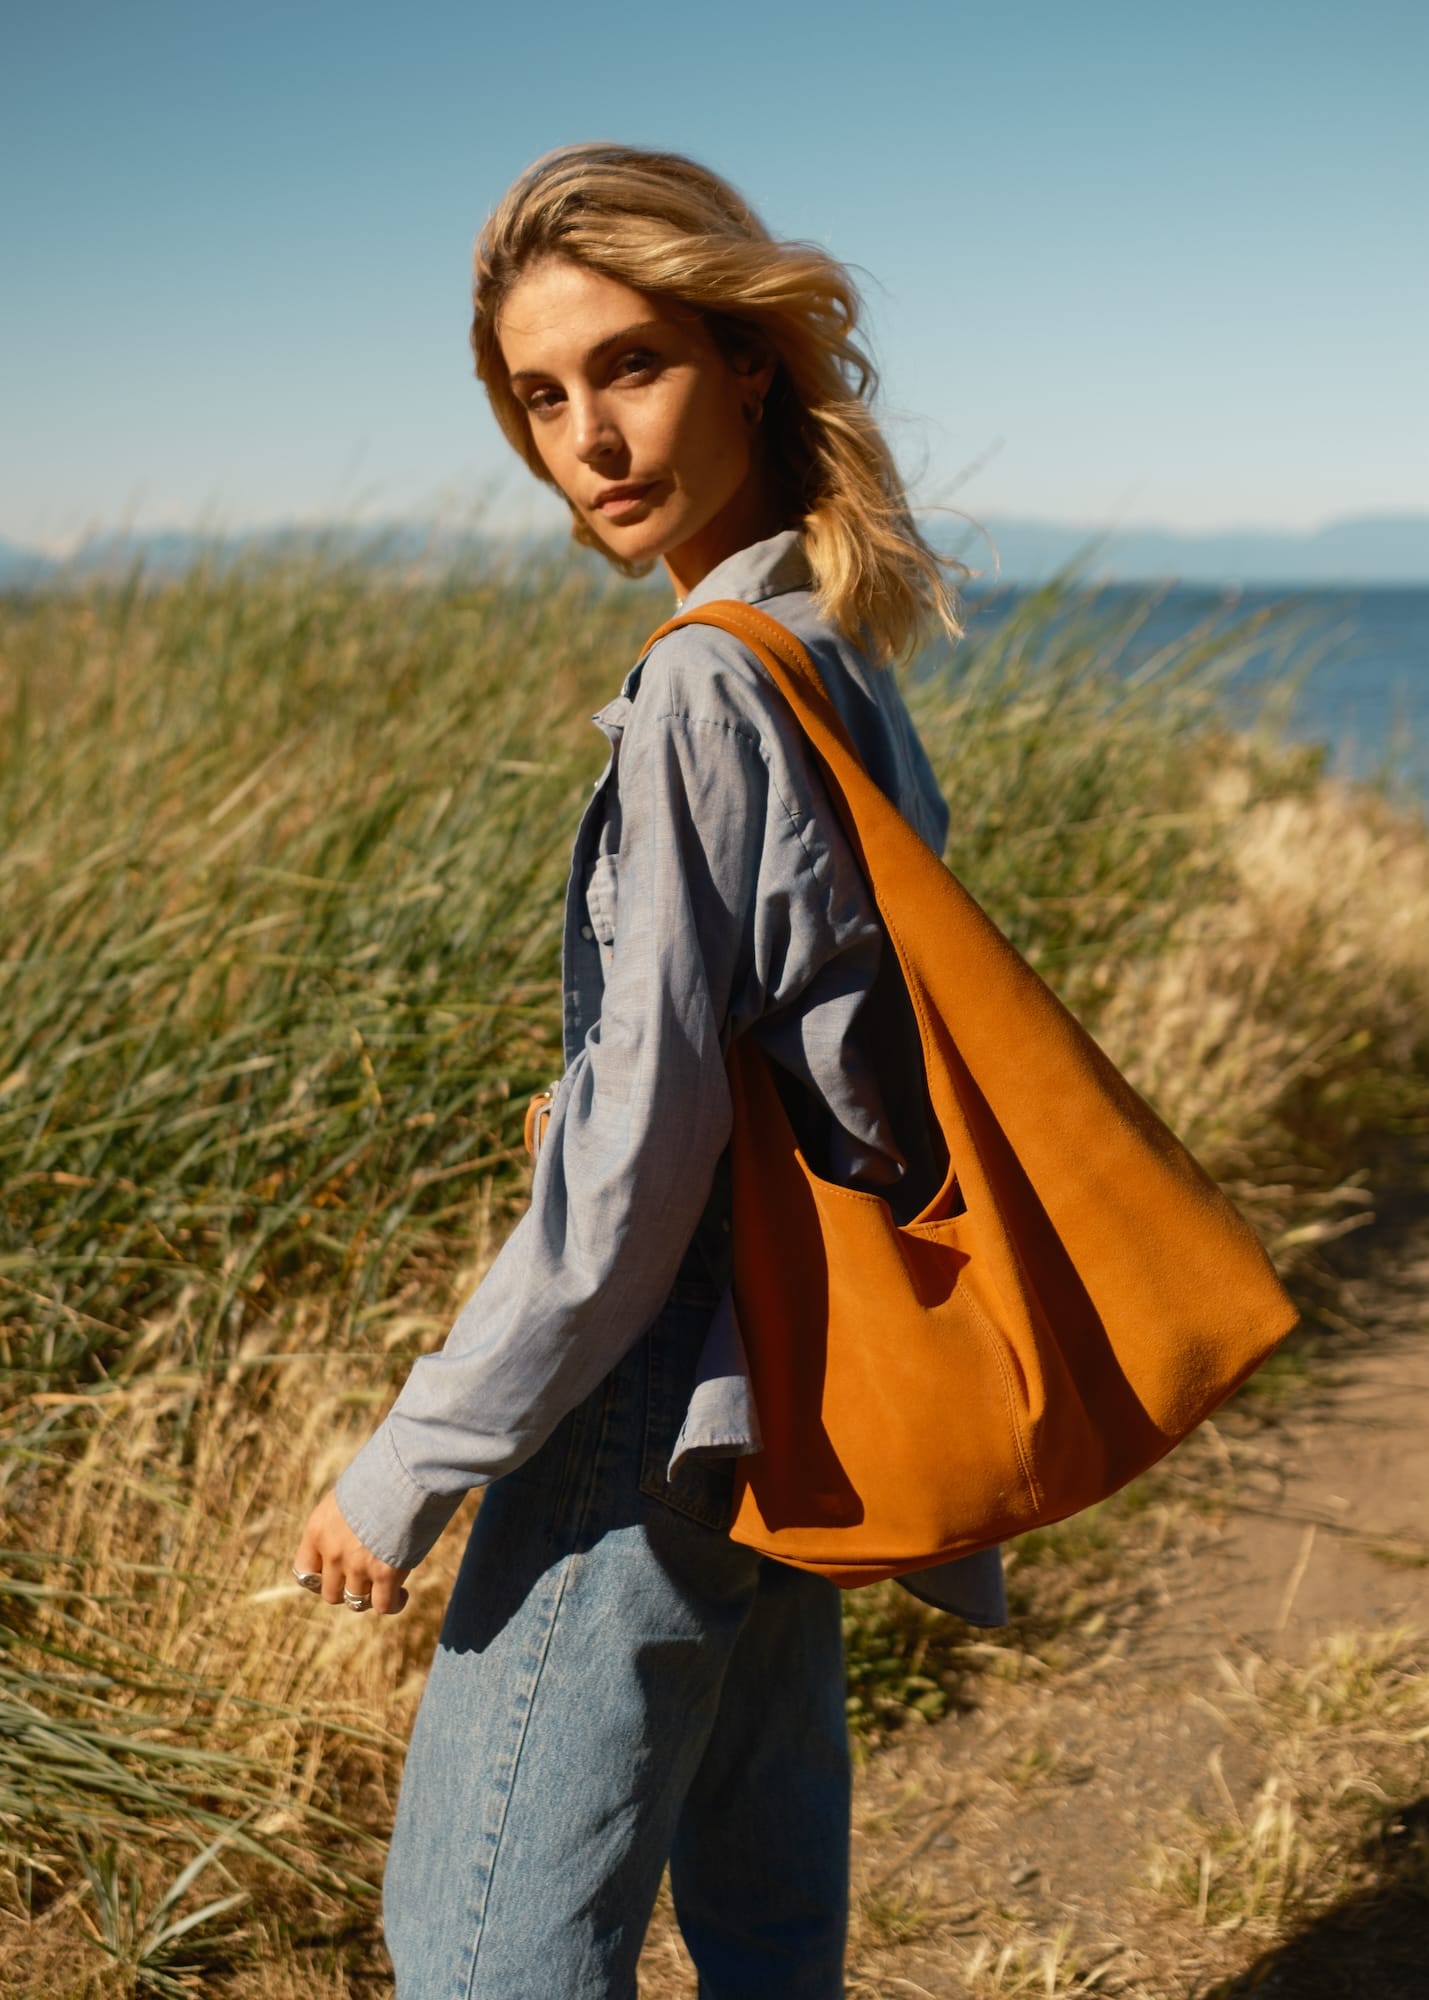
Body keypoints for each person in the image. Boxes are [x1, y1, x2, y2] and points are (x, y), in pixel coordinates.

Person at [291, 141, 1007, 1998]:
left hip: (652, 1394)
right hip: (795, 1375)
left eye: (632, 366)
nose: (589, 438)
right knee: (767, 1927)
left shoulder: (707, 677)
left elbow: (628, 1181)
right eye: (543, 396)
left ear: (747, 358)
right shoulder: (831, 647)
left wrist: (411, 1461)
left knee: (481, 1952)